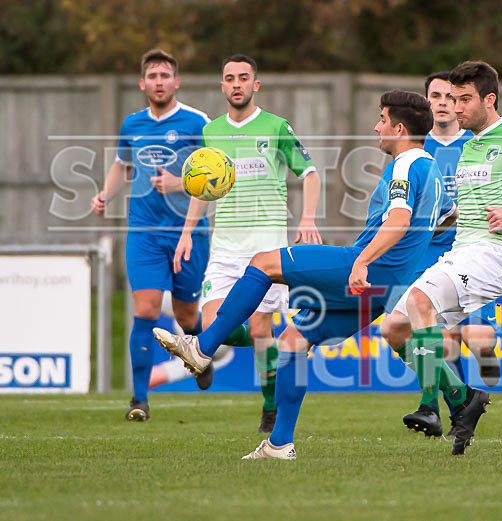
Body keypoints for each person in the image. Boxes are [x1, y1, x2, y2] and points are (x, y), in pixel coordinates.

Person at [153, 90, 478, 459]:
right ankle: (279, 443)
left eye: (382, 120)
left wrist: (362, 260)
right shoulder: (433, 169)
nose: (377, 127)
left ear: (399, 128)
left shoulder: (406, 165)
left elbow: (400, 221)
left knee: (263, 262)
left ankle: (202, 347)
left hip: (366, 269)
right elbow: (448, 216)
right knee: (292, 340)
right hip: (388, 286)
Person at [386, 61, 502, 450]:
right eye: (453, 99)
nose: (456, 108)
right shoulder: (470, 145)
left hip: (494, 254)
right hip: (464, 251)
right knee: (394, 327)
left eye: (465, 99)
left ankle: (434, 405)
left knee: (424, 306)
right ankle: (463, 399)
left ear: (489, 99)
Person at [172, 54, 322, 433]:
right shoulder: (212, 132)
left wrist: (307, 217)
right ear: (222, 86)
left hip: (266, 247)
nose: (236, 84)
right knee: (211, 321)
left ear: (256, 85)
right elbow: (202, 189)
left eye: (243, 78)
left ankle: (270, 407)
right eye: (229, 78)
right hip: (224, 247)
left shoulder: (275, 127)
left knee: (259, 332)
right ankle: (204, 353)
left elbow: (311, 173)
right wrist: (187, 232)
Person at [91, 49, 210, 422]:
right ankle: (138, 398)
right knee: (145, 309)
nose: (159, 82)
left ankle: (200, 353)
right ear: (143, 84)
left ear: (177, 82)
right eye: (153, 76)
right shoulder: (132, 124)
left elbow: (212, 176)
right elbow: (121, 165)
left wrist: (178, 182)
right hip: (143, 232)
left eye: (165, 75)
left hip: (188, 234)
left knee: (186, 314)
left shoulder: (197, 123)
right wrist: (104, 194)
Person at [380, 71, 499, 438]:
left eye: (452, 96)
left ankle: (470, 378)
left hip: (466, 250)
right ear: (427, 104)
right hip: (423, 254)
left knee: (477, 338)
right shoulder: (415, 149)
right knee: (429, 334)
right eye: (436, 95)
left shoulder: (475, 144)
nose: (444, 102)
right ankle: (435, 406)